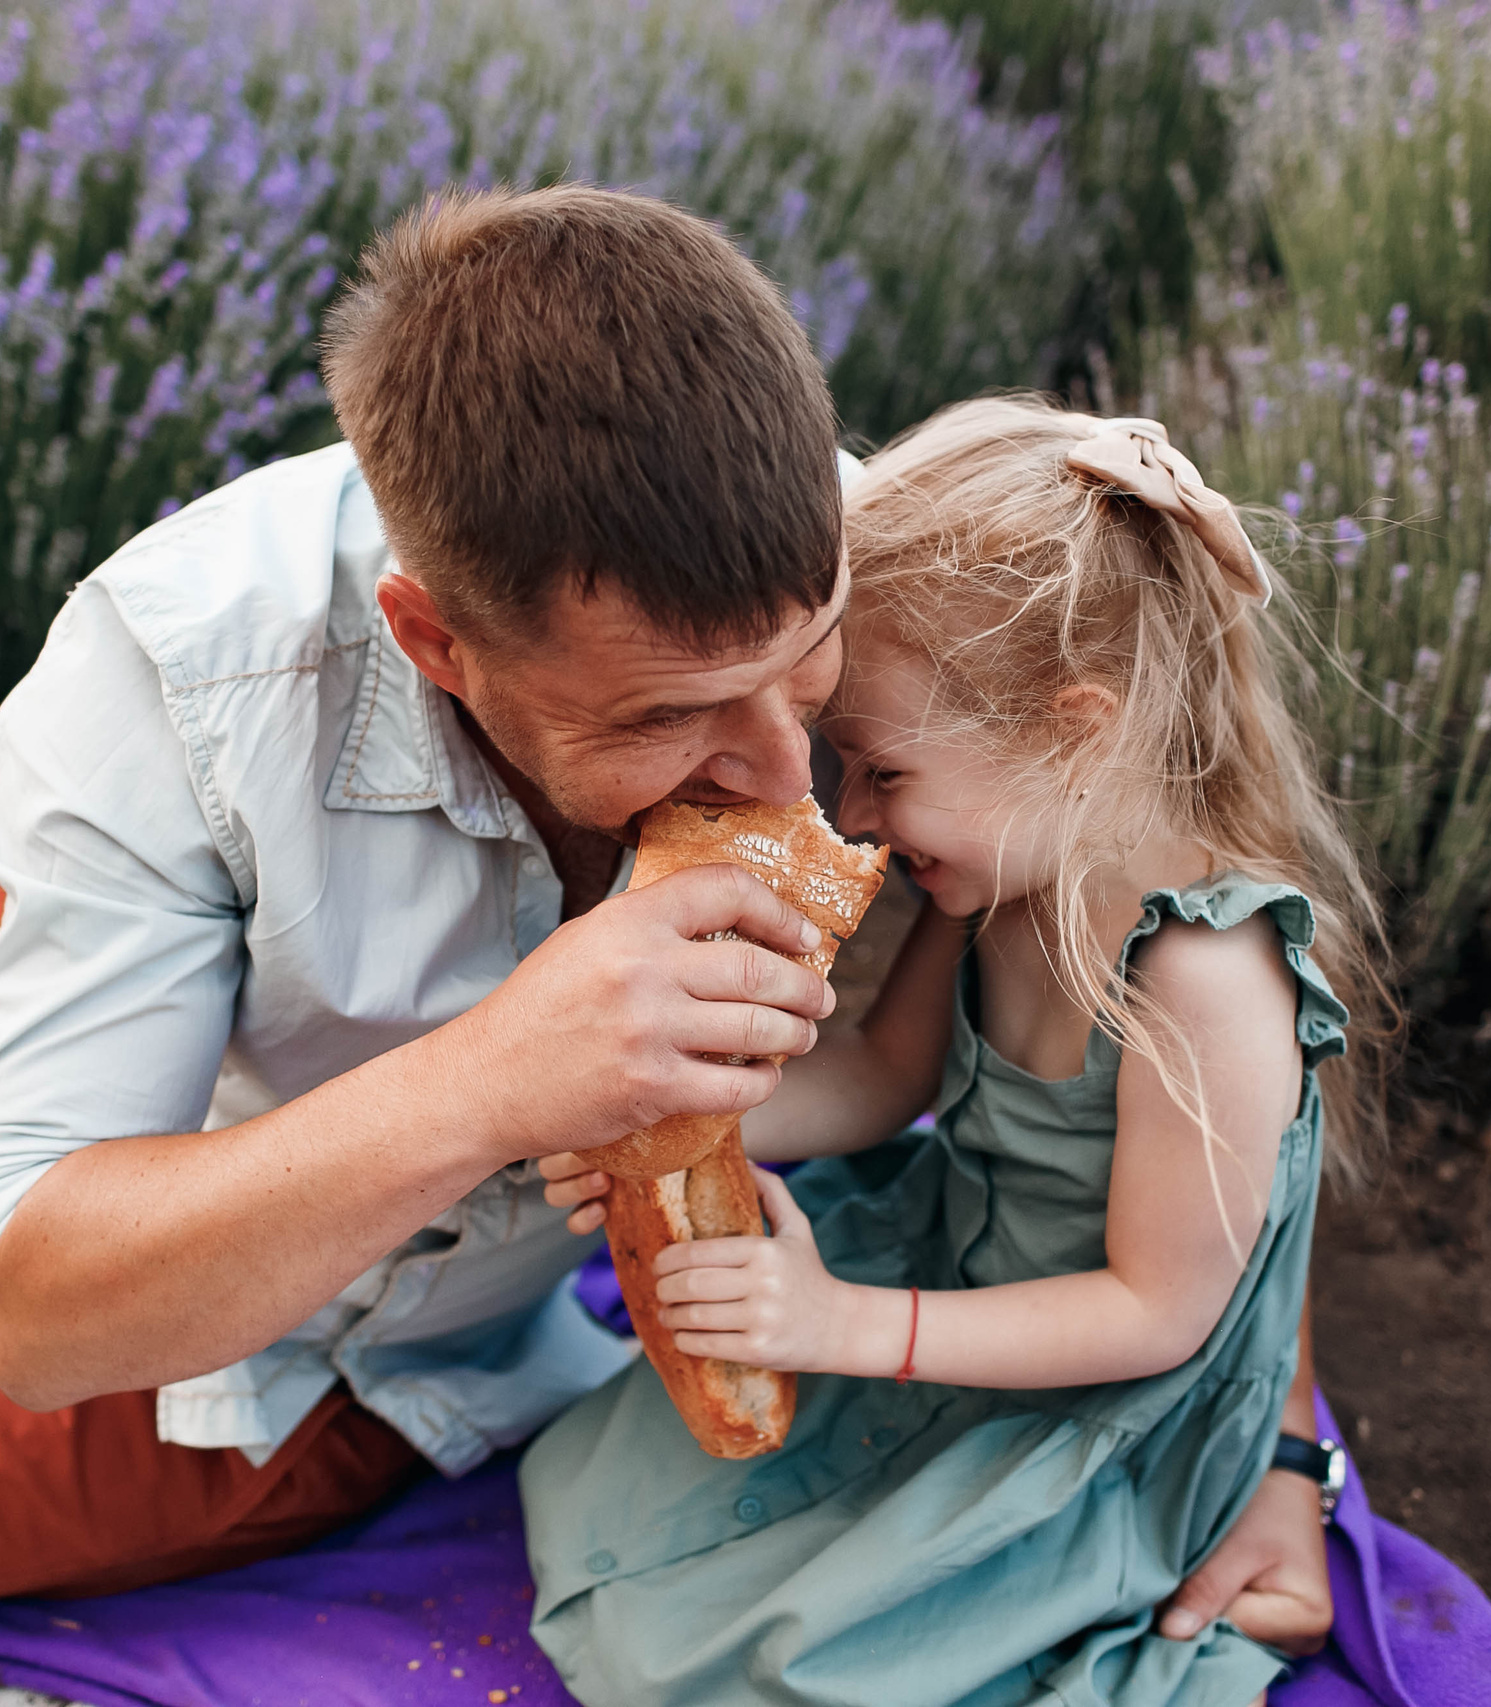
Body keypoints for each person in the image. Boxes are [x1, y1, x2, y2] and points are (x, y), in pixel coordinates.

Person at [0, 192, 1327, 1699]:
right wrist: (506, 1069)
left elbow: (1213, 974)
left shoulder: (868, 574)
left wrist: (1280, 1444)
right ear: (440, 643)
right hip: (30, 1122)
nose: (783, 771)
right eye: (668, 721)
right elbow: (33, 1271)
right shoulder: (180, 676)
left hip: (263, 1368)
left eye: (810, 692)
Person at [525, 396, 1393, 1707]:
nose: (851, 816)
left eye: (880, 770)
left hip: (1098, 1397)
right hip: (950, 1281)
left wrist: (842, 1325)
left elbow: (1157, 1312)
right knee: (595, 1489)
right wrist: (675, 1122)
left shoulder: (1207, 982)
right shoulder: (1012, 879)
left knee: (754, 1667)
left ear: (1073, 730)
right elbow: (888, 1076)